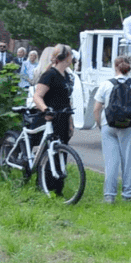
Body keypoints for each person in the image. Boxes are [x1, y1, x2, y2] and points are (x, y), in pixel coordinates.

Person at [93, 56, 131, 202]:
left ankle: (109, 196)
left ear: (115, 67)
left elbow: (96, 109)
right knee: (128, 161)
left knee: (111, 162)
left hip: (108, 125)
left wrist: (101, 125)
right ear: (129, 68)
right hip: (129, 126)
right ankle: (128, 195)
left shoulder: (106, 84)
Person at [33, 43, 75, 194]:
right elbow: (37, 96)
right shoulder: (49, 75)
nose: (72, 58)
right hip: (51, 117)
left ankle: (58, 186)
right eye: (71, 55)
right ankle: (43, 184)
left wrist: (70, 122)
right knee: (48, 150)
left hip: (63, 117)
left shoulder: (67, 76)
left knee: (61, 151)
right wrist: (45, 109)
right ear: (65, 57)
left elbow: (67, 99)